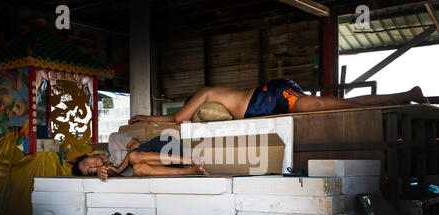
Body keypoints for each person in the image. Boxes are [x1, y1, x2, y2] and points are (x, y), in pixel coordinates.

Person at [128, 78, 428, 124]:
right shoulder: (211, 95)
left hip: (267, 98)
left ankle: (398, 102)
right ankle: (406, 96)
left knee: (328, 105)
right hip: (268, 99)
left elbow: (178, 119)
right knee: (328, 103)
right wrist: (144, 117)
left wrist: (146, 118)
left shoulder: (206, 92)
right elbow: (179, 119)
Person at [72, 132, 207, 181]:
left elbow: (135, 144)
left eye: (86, 163)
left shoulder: (113, 140)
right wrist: (108, 173)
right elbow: (112, 173)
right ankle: (190, 171)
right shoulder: (110, 170)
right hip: (167, 166)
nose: (91, 166)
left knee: (133, 157)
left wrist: (120, 168)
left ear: (89, 154)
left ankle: (190, 161)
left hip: (166, 145)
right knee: (138, 170)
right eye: (89, 171)